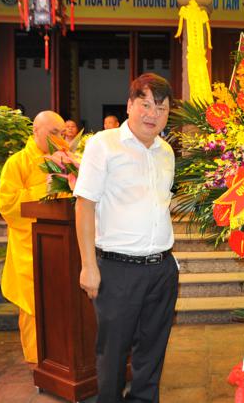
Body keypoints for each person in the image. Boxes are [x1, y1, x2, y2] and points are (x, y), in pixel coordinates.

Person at [74, 73, 178, 403]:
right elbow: (84, 204)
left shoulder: (166, 152)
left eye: (161, 108)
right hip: (117, 270)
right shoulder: (104, 144)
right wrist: (88, 265)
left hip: (161, 270)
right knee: (113, 353)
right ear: (130, 105)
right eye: (145, 104)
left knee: (152, 352)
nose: (152, 114)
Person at [0, 110, 65, 363]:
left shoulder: (65, 159)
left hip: (61, 244)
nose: (59, 138)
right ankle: (38, 361)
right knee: (33, 305)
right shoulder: (17, 163)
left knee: (61, 302)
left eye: (62, 133)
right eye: (53, 132)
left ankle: (61, 358)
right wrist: (44, 186)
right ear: (36, 131)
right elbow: (7, 205)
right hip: (29, 246)